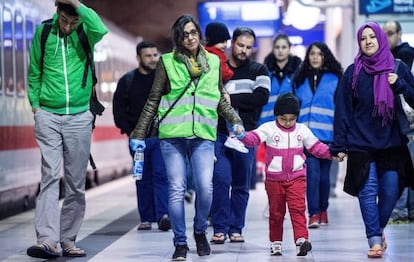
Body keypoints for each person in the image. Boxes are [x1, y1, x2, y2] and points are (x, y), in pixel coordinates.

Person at [128, 14, 245, 261]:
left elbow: (218, 98)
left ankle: (200, 230)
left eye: (193, 32)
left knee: (205, 188)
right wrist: (139, 133)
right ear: (178, 38)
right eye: (184, 34)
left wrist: (234, 120)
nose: (189, 37)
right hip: (172, 137)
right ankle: (180, 242)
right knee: (176, 189)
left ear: (199, 35)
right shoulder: (167, 62)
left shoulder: (213, 62)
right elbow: (153, 99)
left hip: (203, 135)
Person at [26, 0, 108, 259]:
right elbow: (34, 72)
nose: (69, 26)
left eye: (73, 21)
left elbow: (101, 28)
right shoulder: (44, 32)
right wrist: (36, 107)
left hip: (79, 116)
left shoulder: (86, 30)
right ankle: (47, 241)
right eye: (65, 19)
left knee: (75, 182)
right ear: (57, 13)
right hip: (48, 115)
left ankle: (68, 240)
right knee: (50, 176)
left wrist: (77, 5)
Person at [330, 21, 414, 258]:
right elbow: (343, 110)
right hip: (360, 144)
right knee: (367, 193)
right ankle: (374, 240)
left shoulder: (397, 68)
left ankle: (378, 230)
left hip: (391, 143)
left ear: (381, 39)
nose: (368, 41)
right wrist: (339, 145)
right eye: (363, 38)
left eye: (372, 37)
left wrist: (399, 85)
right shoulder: (352, 72)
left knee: (390, 192)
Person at [238, 93, 343, 256]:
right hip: (274, 180)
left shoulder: (302, 130)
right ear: (276, 116)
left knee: (298, 209)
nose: (287, 122)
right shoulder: (268, 128)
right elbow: (253, 139)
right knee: (276, 212)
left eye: (292, 118)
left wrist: (332, 154)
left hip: (297, 178)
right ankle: (276, 242)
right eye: (283, 118)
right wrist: (242, 135)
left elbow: (317, 147)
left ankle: (301, 240)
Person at [210, 27, 270, 244]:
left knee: (241, 184)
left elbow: (261, 97)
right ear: (232, 43)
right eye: (240, 45)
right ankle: (219, 228)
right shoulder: (218, 68)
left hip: (247, 136)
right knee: (220, 180)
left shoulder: (259, 70)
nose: (244, 50)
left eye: (248, 47)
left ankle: (236, 229)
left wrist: (228, 100)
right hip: (219, 134)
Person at [113, 41, 170, 231]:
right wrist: (130, 132)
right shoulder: (127, 81)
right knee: (142, 178)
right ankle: (146, 218)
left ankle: (163, 215)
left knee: (161, 176)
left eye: (155, 55)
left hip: (161, 137)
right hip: (138, 141)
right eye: (148, 56)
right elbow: (118, 111)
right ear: (138, 58)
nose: (153, 59)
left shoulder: (164, 81)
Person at [292, 41, 343, 228]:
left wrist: (341, 137)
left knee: (324, 177)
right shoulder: (299, 80)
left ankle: (323, 210)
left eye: (319, 54)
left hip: (328, 137)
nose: (315, 57)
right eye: (312, 53)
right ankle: (313, 213)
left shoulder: (335, 78)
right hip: (307, 137)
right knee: (312, 175)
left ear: (325, 57)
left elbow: (340, 110)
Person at [383, 20, 414, 223]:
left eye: (390, 33)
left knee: (404, 167)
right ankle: (407, 209)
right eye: (384, 33)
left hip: (408, 122)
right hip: (401, 123)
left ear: (400, 34)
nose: (387, 37)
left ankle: (402, 209)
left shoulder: (403, 58)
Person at [204, 22, 248, 154]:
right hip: (216, 90)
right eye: (222, 41)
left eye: (226, 41)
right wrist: (230, 73)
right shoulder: (215, 54)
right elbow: (223, 72)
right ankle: (233, 136)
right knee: (230, 110)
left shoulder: (204, 53)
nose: (225, 45)